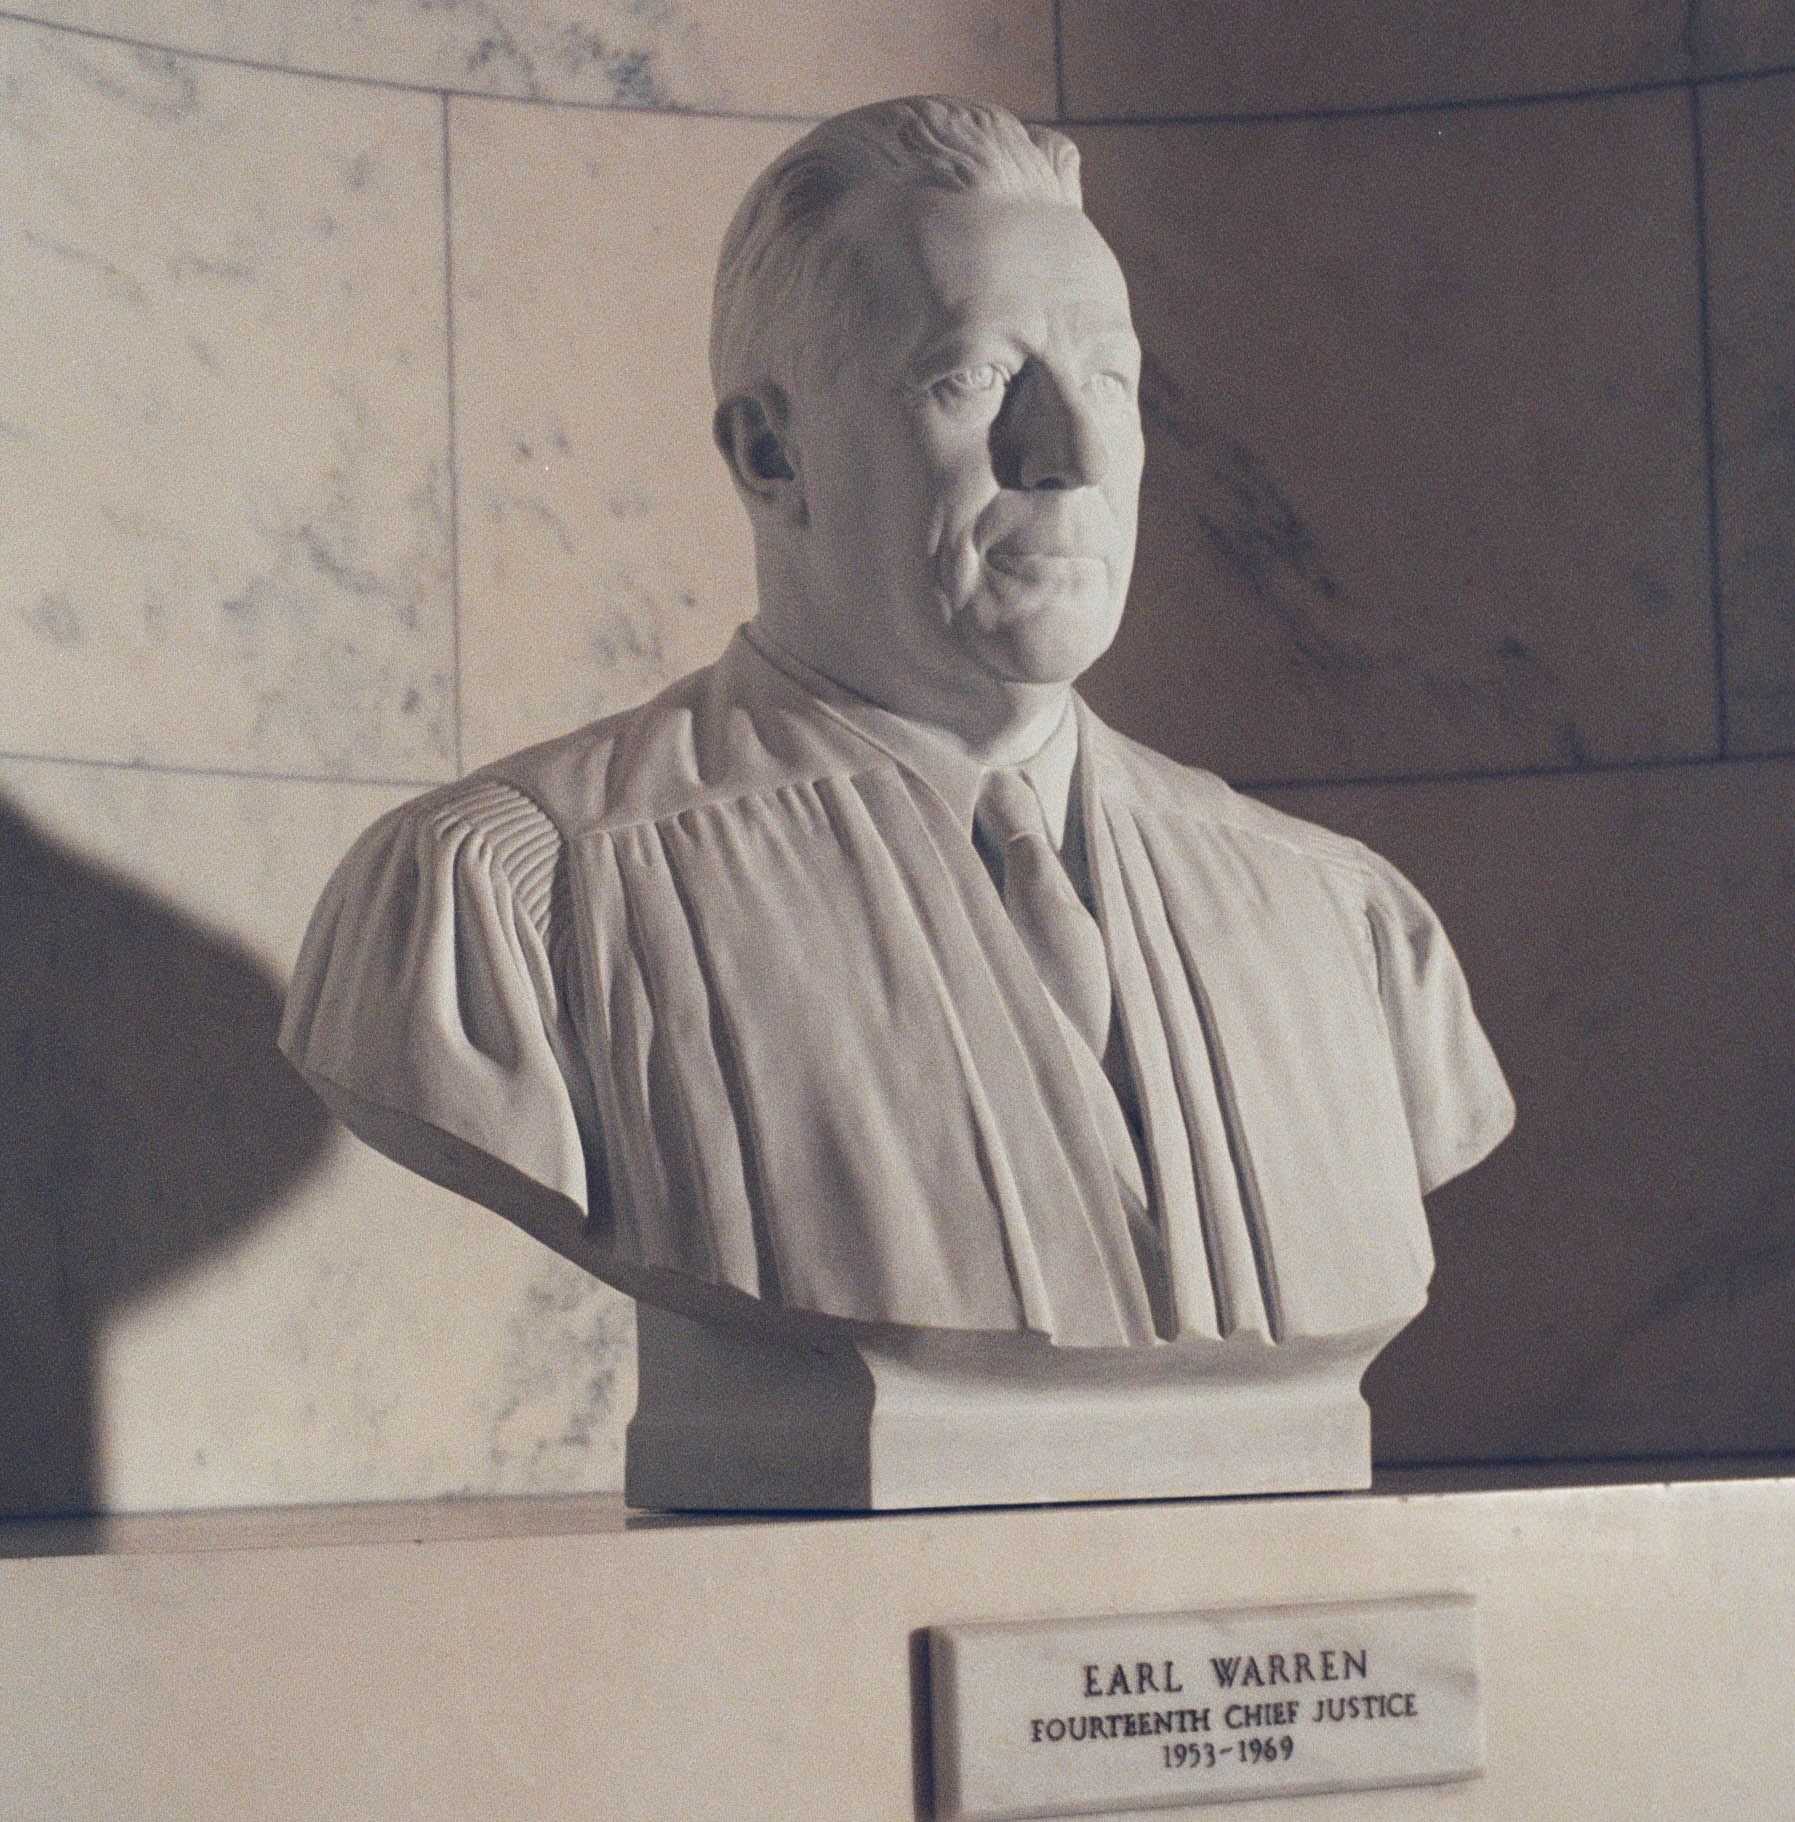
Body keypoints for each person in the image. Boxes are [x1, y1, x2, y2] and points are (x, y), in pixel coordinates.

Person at [281, 97, 1513, 1354]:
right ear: (773, 454)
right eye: (973, 379)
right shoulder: (508, 901)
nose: (1071, 454)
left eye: (1109, 382)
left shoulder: (1342, 922)